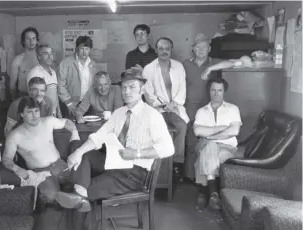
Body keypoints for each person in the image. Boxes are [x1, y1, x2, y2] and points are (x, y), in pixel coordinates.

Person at [54, 70, 174, 213]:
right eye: (124, 87)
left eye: (132, 87)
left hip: (134, 173)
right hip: (114, 162)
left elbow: (168, 148)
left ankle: (80, 195)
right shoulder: (119, 113)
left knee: (82, 188)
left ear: (142, 89)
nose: (127, 91)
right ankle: (80, 194)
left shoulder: (152, 115)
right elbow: (99, 136)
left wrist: (137, 154)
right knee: (82, 151)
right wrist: (78, 152)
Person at [2, 96, 83, 210]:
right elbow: (6, 159)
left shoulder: (48, 121)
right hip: (40, 173)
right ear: (21, 114)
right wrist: (19, 170)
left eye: (36, 111)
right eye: (29, 112)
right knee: (49, 196)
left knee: (80, 182)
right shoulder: (15, 136)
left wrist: (75, 133)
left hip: (60, 165)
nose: (35, 115)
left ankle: (70, 197)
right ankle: (66, 199)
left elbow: (67, 122)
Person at [182, 33, 238, 180]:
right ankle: (191, 178)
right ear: (193, 49)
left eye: (204, 47)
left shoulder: (213, 62)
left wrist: (211, 68)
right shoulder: (186, 64)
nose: (201, 50)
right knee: (191, 143)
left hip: (209, 110)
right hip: (190, 108)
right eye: (197, 47)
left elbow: (233, 63)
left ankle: (206, 179)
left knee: (209, 142)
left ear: (209, 49)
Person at [143, 37, 189, 183]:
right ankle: (158, 168)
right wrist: (163, 105)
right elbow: (148, 95)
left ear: (171, 50)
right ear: (156, 50)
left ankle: (176, 164)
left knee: (182, 126)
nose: (164, 51)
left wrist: (174, 103)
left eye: (167, 48)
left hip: (175, 108)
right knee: (157, 131)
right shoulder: (149, 69)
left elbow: (182, 89)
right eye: (161, 48)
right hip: (158, 110)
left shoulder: (179, 67)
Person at [193, 77, 242, 210]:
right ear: (209, 91)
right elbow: (197, 131)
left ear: (224, 92)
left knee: (202, 159)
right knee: (209, 147)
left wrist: (209, 136)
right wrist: (222, 128)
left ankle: (203, 192)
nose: (216, 93)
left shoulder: (233, 109)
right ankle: (213, 193)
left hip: (227, 148)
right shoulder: (201, 111)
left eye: (219, 90)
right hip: (205, 145)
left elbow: (234, 130)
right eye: (213, 90)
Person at [57, 36, 98, 118]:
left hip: (88, 104)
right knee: (71, 128)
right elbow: (60, 85)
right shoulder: (66, 63)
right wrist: (69, 103)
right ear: (76, 49)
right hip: (70, 103)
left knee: (89, 128)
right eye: (82, 48)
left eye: (87, 49)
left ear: (90, 50)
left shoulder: (93, 65)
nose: (84, 52)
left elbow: (95, 86)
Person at [27, 44, 61, 118]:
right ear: (39, 56)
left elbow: (55, 94)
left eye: (51, 54)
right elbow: (32, 97)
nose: (50, 56)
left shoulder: (53, 72)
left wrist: (59, 111)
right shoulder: (34, 72)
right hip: (41, 114)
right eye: (46, 54)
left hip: (53, 113)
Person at [10, 27, 40, 99]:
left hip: (40, 97)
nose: (31, 41)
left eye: (33, 38)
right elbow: (12, 86)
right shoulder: (18, 60)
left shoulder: (41, 58)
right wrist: (15, 103)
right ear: (23, 41)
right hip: (23, 97)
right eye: (28, 38)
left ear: (37, 41)